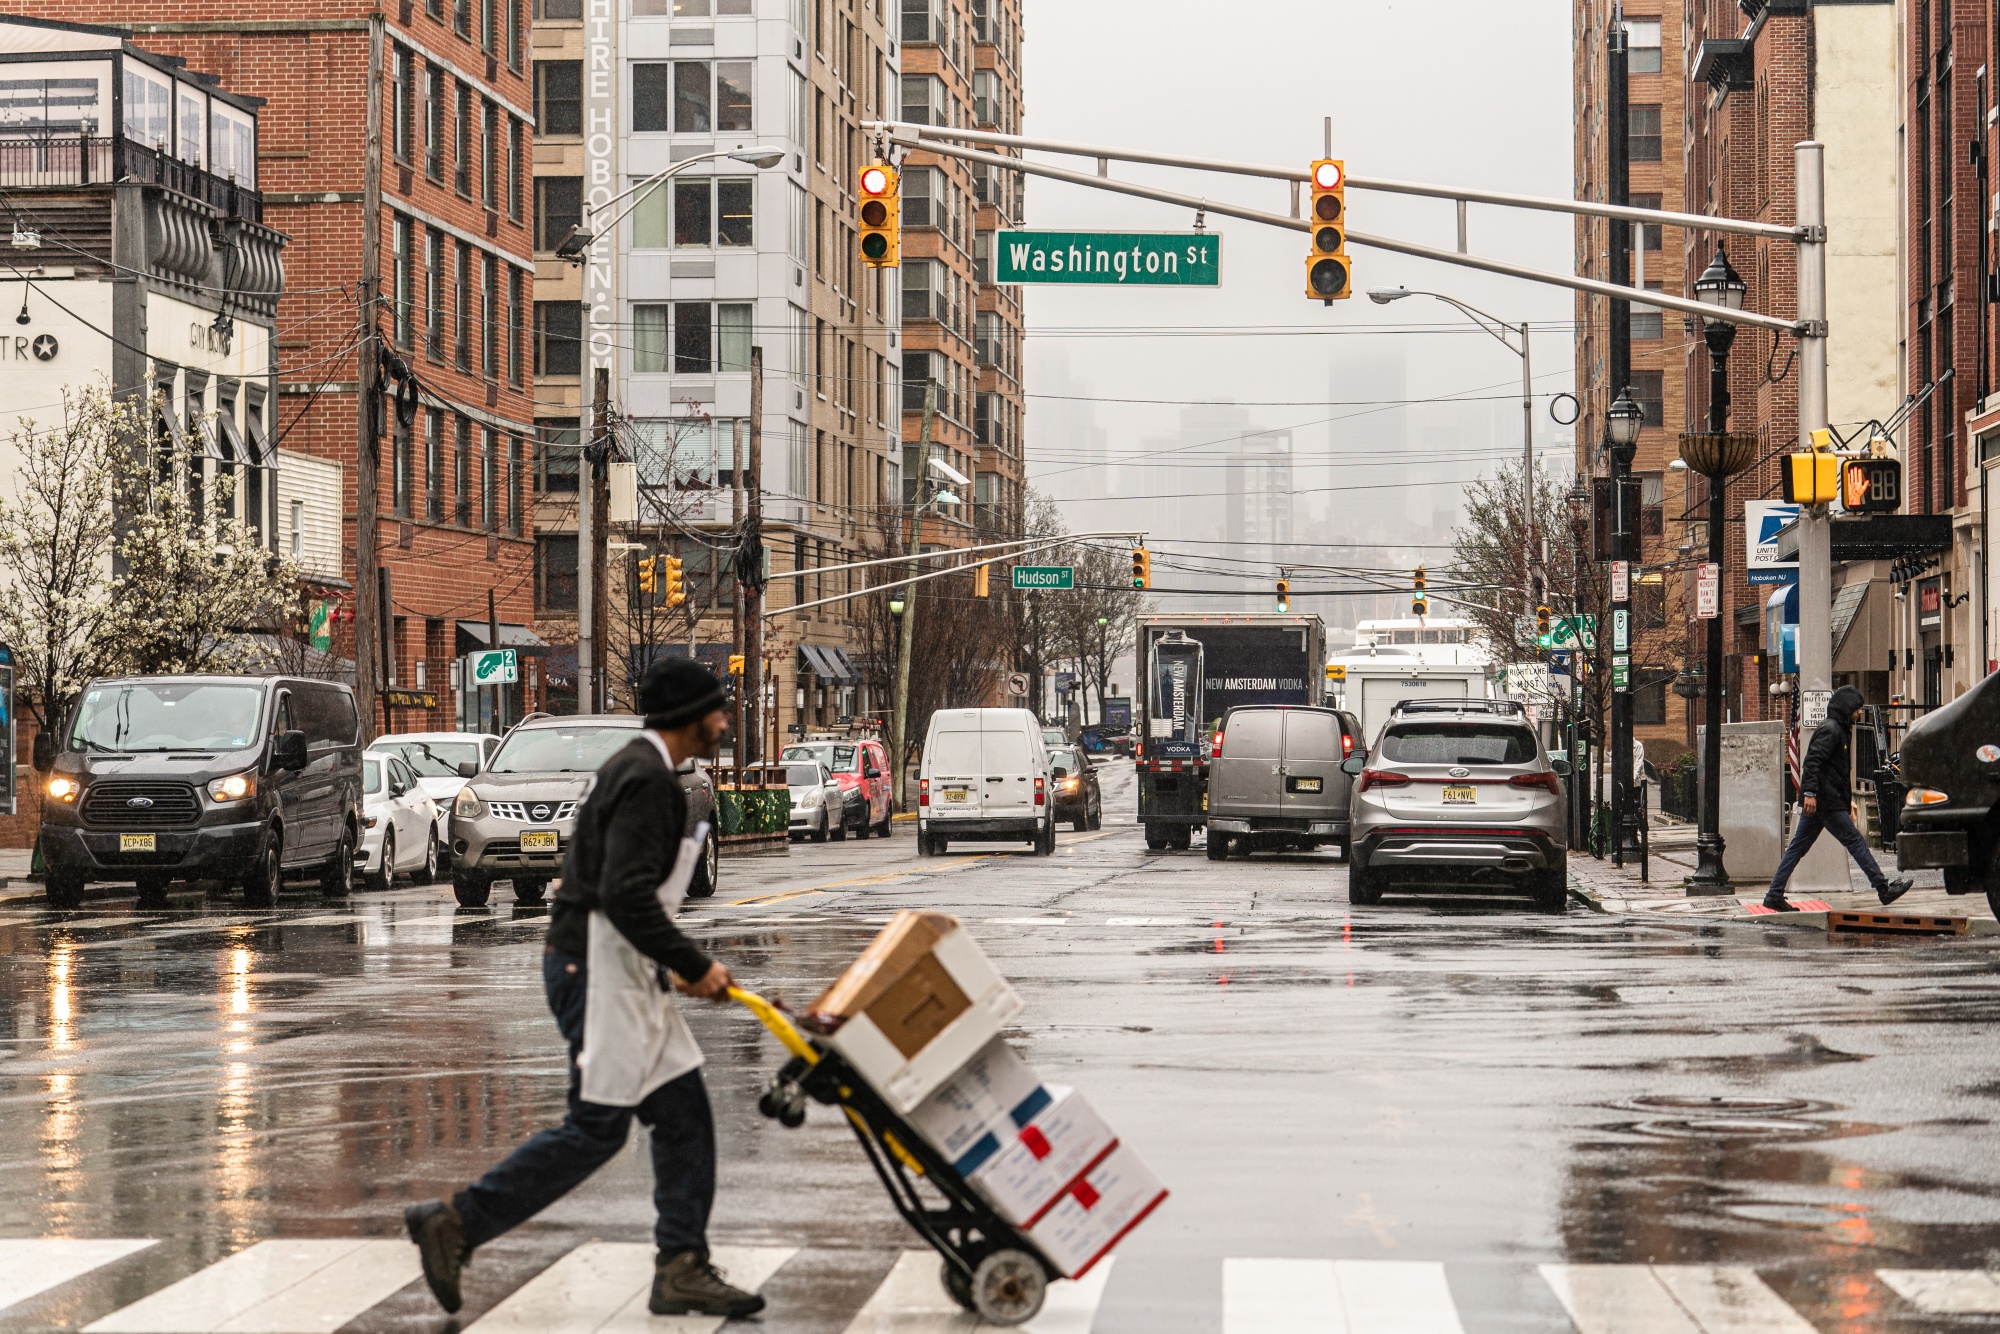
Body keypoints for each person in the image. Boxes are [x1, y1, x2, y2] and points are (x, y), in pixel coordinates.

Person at [404, 658, 764, 1318]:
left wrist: (669, 965)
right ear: (689, 716)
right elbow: (625, 894)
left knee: (684, 1118)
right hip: (599, 971)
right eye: (716, 708)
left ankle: (681, 1263)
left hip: (619, 970)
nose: (723, 719)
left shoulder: (645, 769)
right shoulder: (645, 777)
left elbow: (624, 891)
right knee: (597, 1129)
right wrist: (692, 963)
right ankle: (456, 1222)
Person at [1764, 684, 1913, 912]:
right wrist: (1810, 794)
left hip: (1826, 801)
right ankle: (1883, 889)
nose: (1859, 713)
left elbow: (1836, 772)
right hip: (1825, 802)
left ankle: (1774, 894)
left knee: (1797, 848)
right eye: (1857, 709)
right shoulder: (1831, 730)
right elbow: (1812, 762)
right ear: (1846, 708)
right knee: (1855, 842)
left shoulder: (1839, 729)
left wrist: (1845, 799)